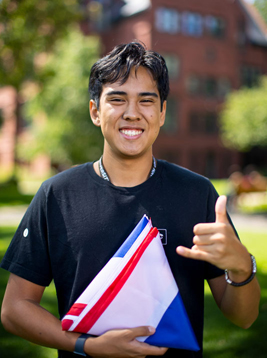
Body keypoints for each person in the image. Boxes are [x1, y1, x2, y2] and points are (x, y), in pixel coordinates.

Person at [0, 42, 260, 358]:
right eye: (117, 99)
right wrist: (85, 345)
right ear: (96, 111)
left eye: (146, 101)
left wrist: (241, 268)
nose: (132, 113)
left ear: (163, 112)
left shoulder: (197, 194)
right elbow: (14, 308)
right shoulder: (56, 195)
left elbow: (244, 317)